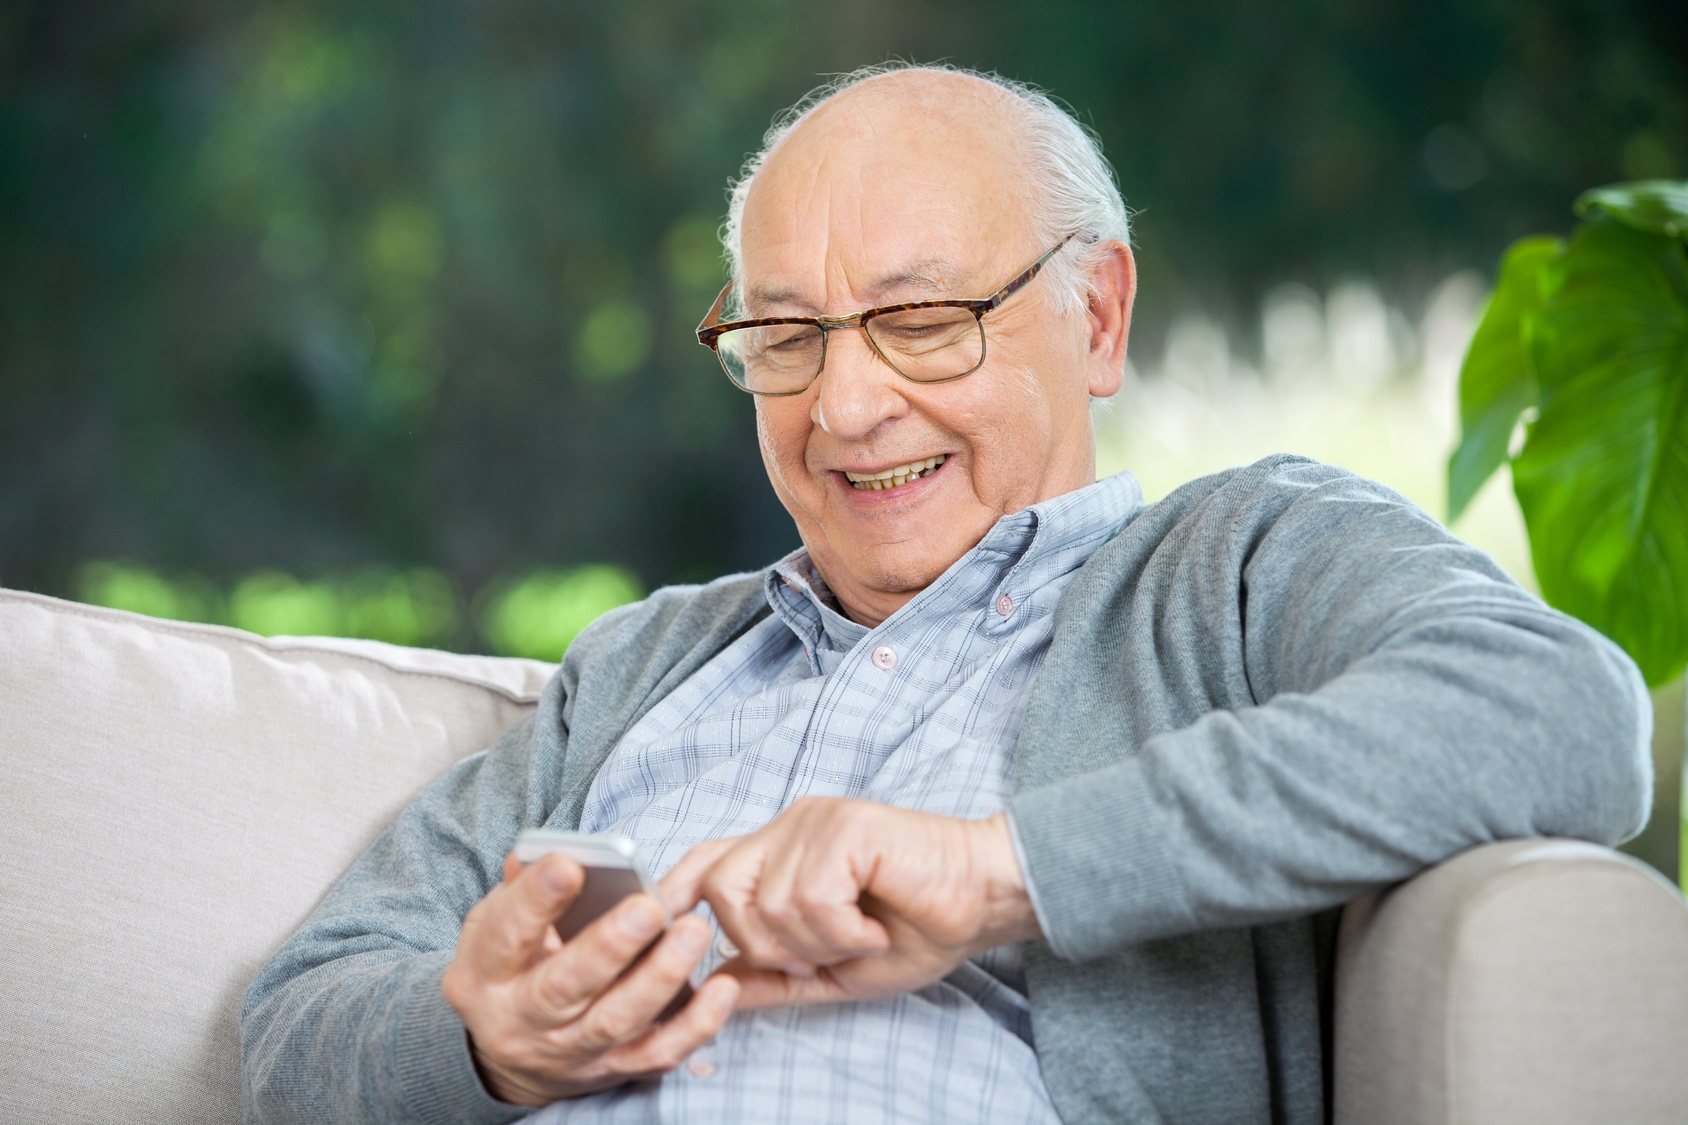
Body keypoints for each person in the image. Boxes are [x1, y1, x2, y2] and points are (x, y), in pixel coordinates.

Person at [240, 64, 1651, 1125]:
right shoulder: (644, 664)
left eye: (923, 321)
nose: (847, 405)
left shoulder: (1232, 561)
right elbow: (299, 1016)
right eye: (785, 336)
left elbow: (1563, 715)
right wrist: (488, 1040)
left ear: (1095, 317)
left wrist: (992, 869)